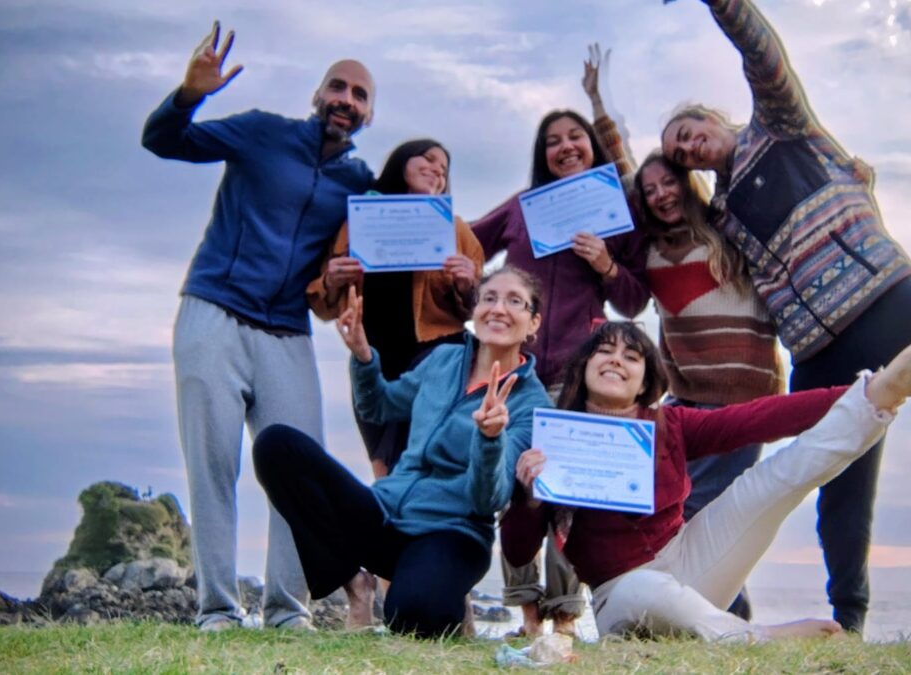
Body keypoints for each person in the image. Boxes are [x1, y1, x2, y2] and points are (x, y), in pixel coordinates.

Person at [658, 0, 911, 633]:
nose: (689, 148)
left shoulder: (782, 129)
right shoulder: (723, 218)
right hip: (820, 356)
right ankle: (851, 621)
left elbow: (764, 55)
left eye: (689, 132)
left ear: (711, 116)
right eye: (681, 152)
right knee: (839, 482)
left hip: (894, 306)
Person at [501, 315, 911, 640]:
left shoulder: (668, 426)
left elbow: (754, 419)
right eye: (605, 351)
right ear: (583, 367)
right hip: (620, 593)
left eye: (632, 356)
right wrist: (529, 498)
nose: (617, 360)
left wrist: (857, 393)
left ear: (644, 381)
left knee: (771, 479)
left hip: (690, 561)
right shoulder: (554, 436)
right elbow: (521, 549)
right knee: (643, 586)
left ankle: (885, 391)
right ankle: (752, 636)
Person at [141, 21, 375, 631]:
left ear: (368, 114)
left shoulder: (360, 183)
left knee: (299, 467)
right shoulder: (261, 132)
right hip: (213, 311)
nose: (346, 100)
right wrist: (189, 95)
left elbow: (403, 239)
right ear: (318, 95)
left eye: (359, 95)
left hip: (287, 331)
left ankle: (287, 610)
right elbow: (163, 141)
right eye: (337, 87)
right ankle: (217, 609)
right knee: (214, 462)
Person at [582, 44, 782, 621]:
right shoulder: (648, 254)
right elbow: (620, 168)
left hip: (745, 402)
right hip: (688, 402)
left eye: (668, 182)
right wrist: (598, 101)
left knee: (701, 513)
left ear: (685, 182)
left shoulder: (725, 227)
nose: (660, 193)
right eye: (650, 191)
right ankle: (724, 618)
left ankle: (720, 617)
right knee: (684, 515)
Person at [253, 266, 551, 638]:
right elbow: (378, 406)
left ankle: (441, 590)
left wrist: (490, 438)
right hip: (385, 513)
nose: (498, 309)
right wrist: (363, 357)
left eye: (514, 301)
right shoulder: (443, 359)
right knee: (276, 445)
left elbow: (486, 498)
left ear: (533, 322)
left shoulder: (533, 404)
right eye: (489, 297)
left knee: (413, 617)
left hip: (452, 533)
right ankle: (355, 584)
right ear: (475, 310)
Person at [473, 103, 650, 637]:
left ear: (593, 147)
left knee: (572, 490)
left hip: (576, 371)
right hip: (518, 371)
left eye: (576, 136)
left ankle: (566, 615)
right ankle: (526, 612)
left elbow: (636, 298)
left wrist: (605, 265)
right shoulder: (524, 206)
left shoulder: (613, 209)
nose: (566, 146)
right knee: (521, 482)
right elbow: (469, 242)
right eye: (554, 140)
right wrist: (461, 267)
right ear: (542, 153)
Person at [307, 139, 484, 480]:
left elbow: (478, 311)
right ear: (401, 160)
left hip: (435, 354)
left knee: (419, 464)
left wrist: (467, 284)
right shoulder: (357, 221)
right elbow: (322, 306)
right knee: (383, 471)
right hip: (370, 357)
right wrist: (332, 279)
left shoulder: (456, 230)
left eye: (444, 170)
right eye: (428, 158)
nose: (437, 169)